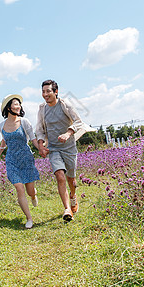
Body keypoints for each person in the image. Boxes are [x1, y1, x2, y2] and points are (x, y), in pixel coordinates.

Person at [36, 79, 95, 222]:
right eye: (43, 92)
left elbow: (78, 121)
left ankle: (73, 197)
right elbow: (39, 129)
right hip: (54, 149)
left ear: (56, 92)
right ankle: (67, 209)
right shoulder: (42, 109)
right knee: (60, 176)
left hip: (69, 148)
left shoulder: (65, 105)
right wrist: (41, 145)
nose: (45, 94)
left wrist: (68, 134)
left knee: (71, 179)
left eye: (48, 91)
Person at [0, 94, 40, 229]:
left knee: (30, 191)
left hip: (26, 159)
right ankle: (29, 218)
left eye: (19, 104)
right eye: (15, 104)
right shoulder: (1, 125)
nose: (18, 106)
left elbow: (33, 138)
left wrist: (41, 149)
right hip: (12, 160)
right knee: (19, 188)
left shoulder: (24, 122)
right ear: (8, 108)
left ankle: (33, 194)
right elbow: (4, 140)